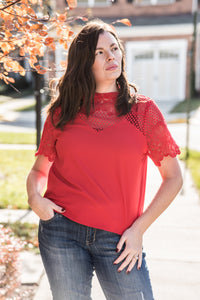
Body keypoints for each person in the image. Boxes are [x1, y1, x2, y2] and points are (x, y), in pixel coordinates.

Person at [26, 20, 183, 300]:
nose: (111, 57)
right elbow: (40, 169)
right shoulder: (63, 112)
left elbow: (173, 179)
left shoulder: (143, 111)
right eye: (100, 52)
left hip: (120, 238)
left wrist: (138, 230)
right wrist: (35, 199)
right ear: (84, 62)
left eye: (114, 48)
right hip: (62, 230)